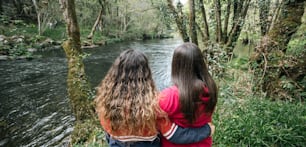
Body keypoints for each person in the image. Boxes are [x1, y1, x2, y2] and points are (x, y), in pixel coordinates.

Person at [95, 49, 215, 147]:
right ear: (146, 73)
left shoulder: (106, 102)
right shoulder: (153, 104)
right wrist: (206, 130)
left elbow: (107, 129)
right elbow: (171, 133)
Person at [159, 43, 218, 147]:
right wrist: (206, 130)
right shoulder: (210, 89)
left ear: (176, 66)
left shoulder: (170, 96)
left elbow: (152, 120)